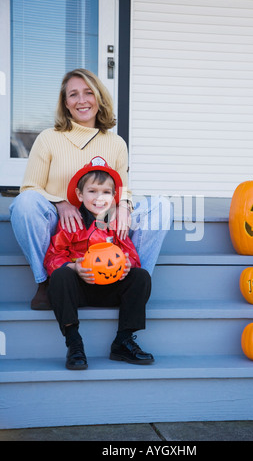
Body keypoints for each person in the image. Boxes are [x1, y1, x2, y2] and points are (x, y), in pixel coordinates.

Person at [9, 68, 172, 310]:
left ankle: (132, 282)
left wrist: (125, 206)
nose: (82, 100)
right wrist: (61, 203)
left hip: (103, 218)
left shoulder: (115, 143)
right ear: (65, 104)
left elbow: (123, 188)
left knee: (161, 205)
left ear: (99, 97)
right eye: (73, 95)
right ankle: (46, 282)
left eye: (88, 93)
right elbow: (30, 187)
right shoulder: (48, 138)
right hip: (62, 223)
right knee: (24, 203)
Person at [44, 156, 153, 369]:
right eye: (92, 191)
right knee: (60, 275)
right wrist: (74, 267)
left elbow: (131, 255)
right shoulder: (71, 224)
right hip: (79, 290)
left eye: (105, 192)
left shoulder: (115, 224)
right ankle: (74, 342)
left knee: (141, 276)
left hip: (111, 287)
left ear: (113, 196)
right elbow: (53, 257)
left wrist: (127, 265)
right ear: (79, 194)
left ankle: (123, 340)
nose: (99, 198)